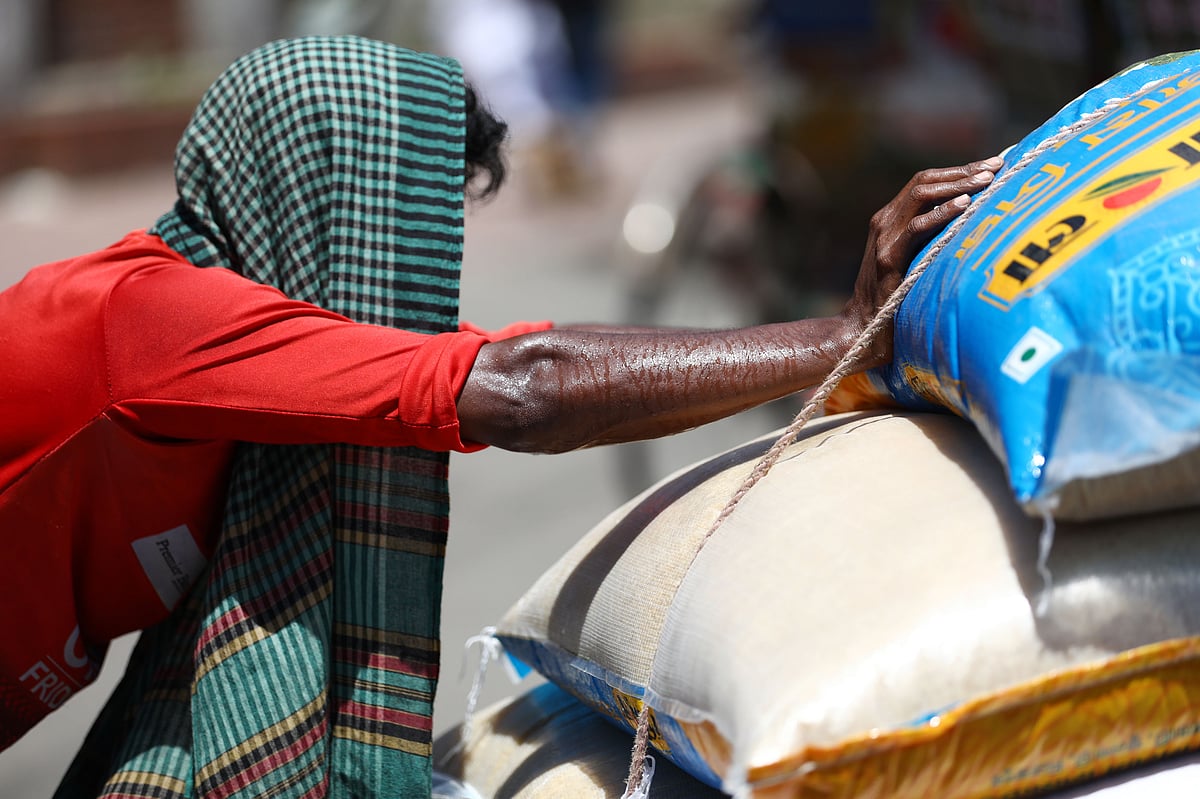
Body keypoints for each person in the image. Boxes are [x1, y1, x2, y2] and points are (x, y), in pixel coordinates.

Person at [0, 36, 999, 798]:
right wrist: (848, 337)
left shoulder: (259, 360)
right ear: (325, 193)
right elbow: (523, 384)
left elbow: (497, 357)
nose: (418, 289)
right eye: (405, 237)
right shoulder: (151, 325)